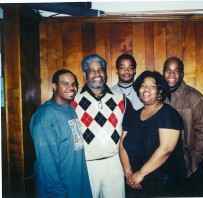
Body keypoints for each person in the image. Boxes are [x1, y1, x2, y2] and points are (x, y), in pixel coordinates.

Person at [119, 71, 186, 197]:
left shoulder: (168, 114)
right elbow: (122, 145)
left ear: (160, 92)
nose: (146, 89)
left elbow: (166, 149)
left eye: (152, 86)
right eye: (143, 85)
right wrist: (128, 173)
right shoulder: (132, 115)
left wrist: (140, 174)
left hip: (163, 185)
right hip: (133, 183)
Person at [73, 54, 130, 198]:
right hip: (87, 165)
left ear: (105, 73)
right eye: (92, 70)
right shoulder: (74, 101)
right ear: (85, 75)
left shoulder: (120, 99)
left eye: (100, 70)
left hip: (115, 163)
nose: (97, 74)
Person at [29, 69, 92, 198]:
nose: (71, 88)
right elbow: (46, 163)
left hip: (76, 183)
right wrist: (57, 193)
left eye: (73, 84)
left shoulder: (69, 109)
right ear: (54, 86)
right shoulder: (45, 116)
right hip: (59, 190)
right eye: (65, 83)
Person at [163, 57, 203, 196]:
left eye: (176, 71)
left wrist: (194, 161)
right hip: (166, 163)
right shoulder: (159, 96)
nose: (172, 75)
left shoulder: (195, 98)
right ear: (163, 73)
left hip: (191, 161)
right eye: (168, 70)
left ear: (181, 74)